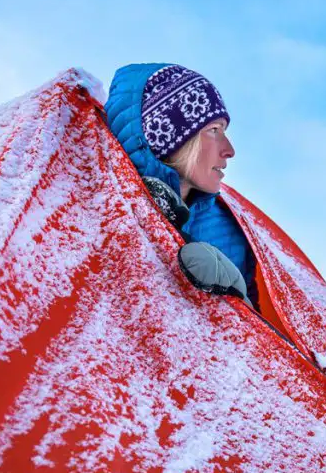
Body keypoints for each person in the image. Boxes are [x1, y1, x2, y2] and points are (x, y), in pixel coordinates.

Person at [104, 63, 258, 306]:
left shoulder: (237, 231)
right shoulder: (102, 203)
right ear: (166, 135)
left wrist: (239, 304)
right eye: (214, 130)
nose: (229, 150)